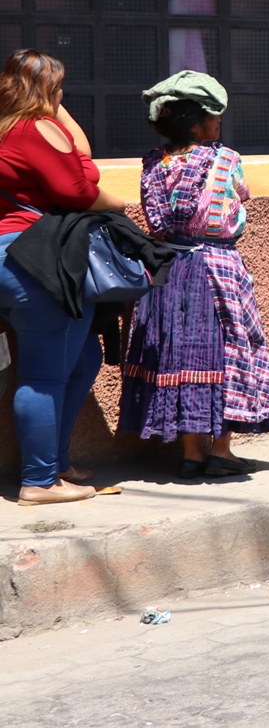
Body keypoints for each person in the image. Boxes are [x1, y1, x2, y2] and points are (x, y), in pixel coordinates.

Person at [119, 73, 269, 480]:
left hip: (167, 271)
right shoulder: (225, 160)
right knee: (220, 352)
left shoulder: (153, 164)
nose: (219, 123)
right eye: (214, 116)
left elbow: (153, 218)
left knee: (178, 355)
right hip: (215, 269)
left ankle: (191, 453)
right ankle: (221, 450)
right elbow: (238, 205)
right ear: (196, 124)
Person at [0, 50, 128, 504]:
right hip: (37, 259)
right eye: (58, 87)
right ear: (46, 89)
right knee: (43, 375)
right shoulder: (35, 128)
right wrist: (115, 204)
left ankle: (55, 463)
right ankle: (39, 481)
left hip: (16, 258)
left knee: (82, 360)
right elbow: (77, 187)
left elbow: (80, 157)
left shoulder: (10, 128)